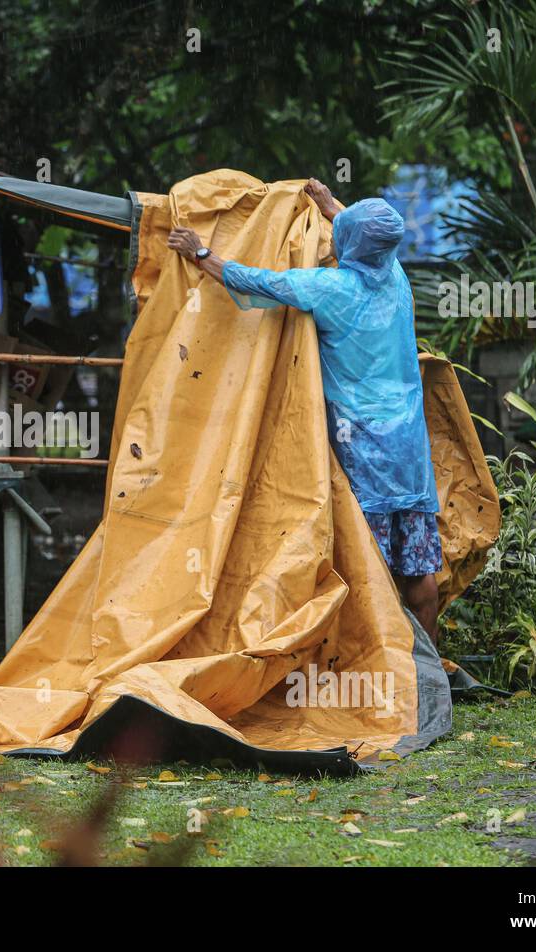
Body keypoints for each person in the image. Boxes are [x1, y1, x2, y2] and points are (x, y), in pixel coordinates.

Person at [166, 179, 442, 642]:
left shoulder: (331, 287)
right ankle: (426, 672)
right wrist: (334, 207)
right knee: (418, 567)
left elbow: (258, 281)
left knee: (363, 565)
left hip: (363, 452)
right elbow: (373, 235)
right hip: (410, 453)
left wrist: (199, 253)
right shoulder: (396, 277)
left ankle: (372, 664)